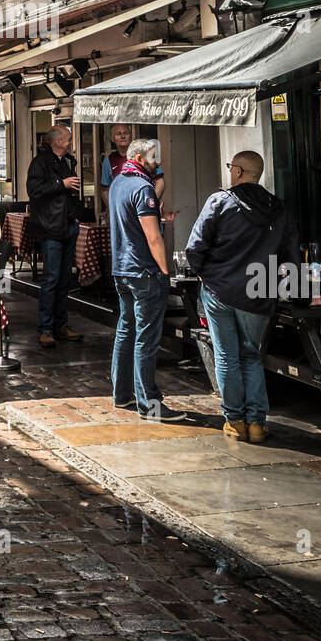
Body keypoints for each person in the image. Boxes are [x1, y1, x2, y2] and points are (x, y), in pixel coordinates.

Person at [186, 151, 298, 443]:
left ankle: (234, 421)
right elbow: (291, 259)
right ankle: (257, 423)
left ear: (237, 171)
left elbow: (194, 248)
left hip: (220, 288)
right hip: (258, 291)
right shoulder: (279, 208)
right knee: (251, 355)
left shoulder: (220, 202)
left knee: (226, 355)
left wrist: (203, 274)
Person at [109, 139, 185, 421]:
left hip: (121, 270)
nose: (158, 163)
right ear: (140, 157)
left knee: (126, 330)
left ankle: (121, 394)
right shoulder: (143, 187)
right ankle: (150, 405)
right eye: (154, 158)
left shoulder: (119, 181)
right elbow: (153, 238)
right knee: (146, 338)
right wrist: (166, 272)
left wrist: (157, 216)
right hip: (144, 271)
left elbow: (130, 220)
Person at [26, 125, 84, 348]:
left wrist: (76, 214)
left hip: (68, 224)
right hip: (51, 227)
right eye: (67, 139)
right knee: (51, 279)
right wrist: (62, 184)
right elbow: (34, 190)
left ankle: (61, 325)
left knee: (64, 279)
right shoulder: (40, 162)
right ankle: (46, 328)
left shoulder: (68, 161)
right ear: (57, 141)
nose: (70, 142)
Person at [101, 125, 166, 209]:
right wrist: (115, 210)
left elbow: (160, 182)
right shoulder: (109, 160)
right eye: (118, 134)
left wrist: (149, 204)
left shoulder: (143, 155)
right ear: (112, 138)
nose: (123, 136)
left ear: (131, 136)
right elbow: (105, 190)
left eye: (126, 133)